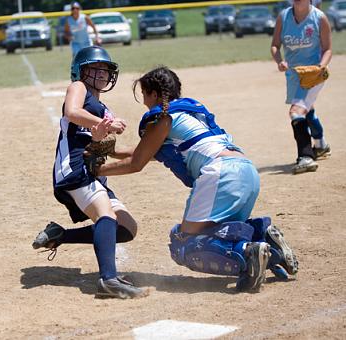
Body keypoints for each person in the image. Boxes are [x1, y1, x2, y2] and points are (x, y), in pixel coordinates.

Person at [89, 66, 299, 292]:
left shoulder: (162, 117)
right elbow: (144, 152)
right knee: (218, 230)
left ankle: (247, 254)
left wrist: (96, 171)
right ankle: (266, 241)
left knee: (184, 242)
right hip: (245, 170)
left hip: (221, 174)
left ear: (154, 94)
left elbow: (137, 162)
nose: (144, 101)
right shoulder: (188, 114)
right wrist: (111, 152)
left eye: (144, 95)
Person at [31, 46, 147, 299]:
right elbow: (72, 112)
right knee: (106, 215)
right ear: (81, 71)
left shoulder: (104, 109)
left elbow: (112, 151)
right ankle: (108, 280)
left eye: (106, 69)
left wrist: (150, 148)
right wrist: (103, 124)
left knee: (127, 228)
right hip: (74, 166)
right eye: (96, 68)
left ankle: (59, 235)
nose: (102, 73)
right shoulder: (78, 88)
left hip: (93, 172)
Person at [271, 0, 332, 174]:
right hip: (293, 75)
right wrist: (279, 61)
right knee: (307, 109)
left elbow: (328, 49)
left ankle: (306, 156)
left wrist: (320, 67)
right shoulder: (284, 17)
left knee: (296, 111)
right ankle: (320, 145)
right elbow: (275, 45)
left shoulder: (319, 18)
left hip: (313, 74)